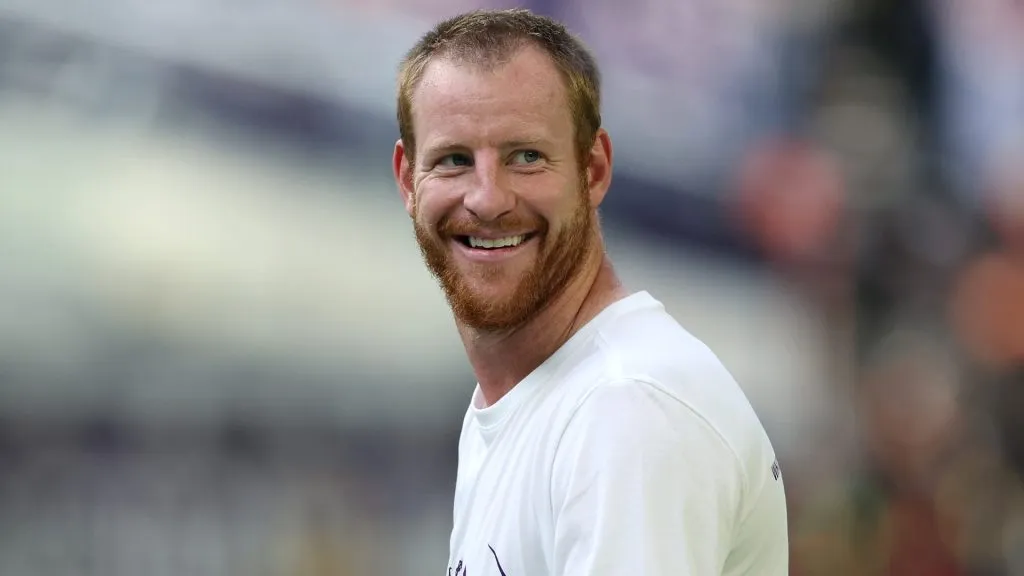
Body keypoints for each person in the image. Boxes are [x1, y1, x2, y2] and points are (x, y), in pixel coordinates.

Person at [391, 8, 788, 575]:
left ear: (594, 169)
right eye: (454, 160)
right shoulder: (545, 401)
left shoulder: (626, 410)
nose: (487, 198)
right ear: (408, 180)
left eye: (525, 157)